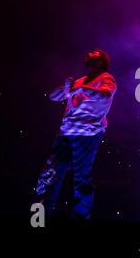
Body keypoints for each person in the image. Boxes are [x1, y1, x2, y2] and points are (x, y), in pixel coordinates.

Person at [35, 49, 117, 220]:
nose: (90, 54)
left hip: (87, 134)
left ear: (102, 61)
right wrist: (65, 89)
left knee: (81, 179)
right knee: (50, 173)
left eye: (95, 54)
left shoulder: (106, 78)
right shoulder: (79, 81)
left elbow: (105, 95)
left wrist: (79, 89)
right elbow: (53, 97)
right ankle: (40, 218)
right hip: (66, 132)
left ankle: (80, 217)